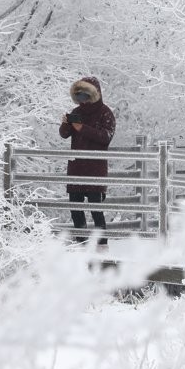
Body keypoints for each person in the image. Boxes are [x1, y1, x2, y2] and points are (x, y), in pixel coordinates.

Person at [58, 76, 116, 247]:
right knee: (75, 208)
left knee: (96, 209)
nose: (82, 98)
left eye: (85, 94)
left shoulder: (106, 113)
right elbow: (64, 134)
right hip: (76, 166)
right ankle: (80, 242)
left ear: (93, 94)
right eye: (79, 95)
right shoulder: (76, 112)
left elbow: (106, 137)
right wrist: (65, 124)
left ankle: (101, 244)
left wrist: (82, 128)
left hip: (95, 168)